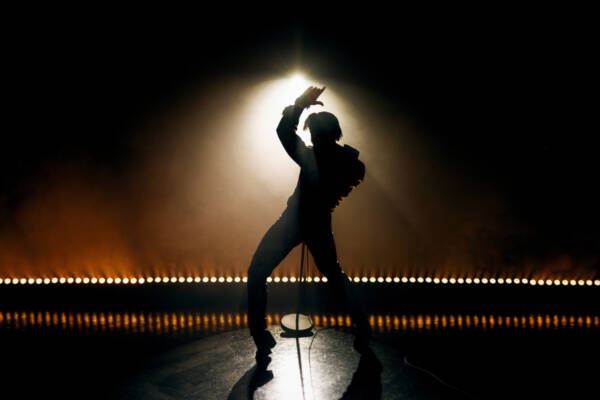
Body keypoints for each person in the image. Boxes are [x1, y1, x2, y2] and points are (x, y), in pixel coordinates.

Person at [247, 86, 371, 369]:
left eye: (314, 133)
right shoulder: (349, 164)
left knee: (257, 272)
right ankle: (362, 326)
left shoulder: (313, 157)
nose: (312, 138)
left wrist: (300, 104)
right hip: (318, 224)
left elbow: (283, 132)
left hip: (294, 221)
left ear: (323, 134)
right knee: (335, 277)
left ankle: (260, 336)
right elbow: (353, 171)